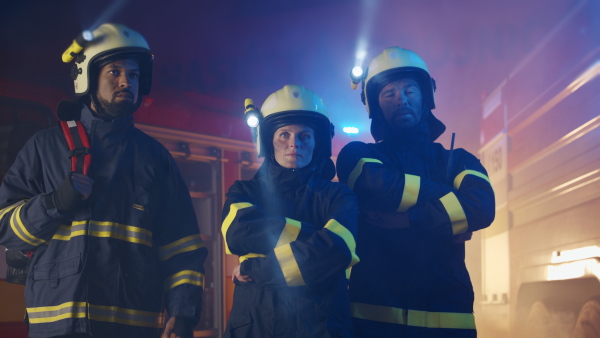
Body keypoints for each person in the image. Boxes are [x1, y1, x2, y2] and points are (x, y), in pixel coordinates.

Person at [0, 23, 207, 338]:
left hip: (133, 325)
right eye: (114, 72)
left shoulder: (155, 158)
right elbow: (5, 227)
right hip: (60, 324)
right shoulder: (45, 147)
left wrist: (184, 312)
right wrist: (54, 204)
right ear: (88, 77)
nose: (126, 81)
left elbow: (182, 245)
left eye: (134, 74)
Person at [336, 47, 495, 337]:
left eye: (410, 90)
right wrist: (449, 204)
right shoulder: (356, 156)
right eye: (389, 94)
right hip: (375, 324)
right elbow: (383, 189)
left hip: (446, 324)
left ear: (426, 97)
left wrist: (410, 219)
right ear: (375, 105)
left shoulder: (459, 159)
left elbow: (482, 207)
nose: (402, 100)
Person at [221, 85, 360, 337]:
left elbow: (338, 249)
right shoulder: (243, 191)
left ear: (318, 143)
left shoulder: (339, 195)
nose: (294, 143)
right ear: (268, 141)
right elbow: (237, 233)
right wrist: (318, 241)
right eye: (284, 134)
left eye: (304, 136)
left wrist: (257, 268)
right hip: (256, 326)